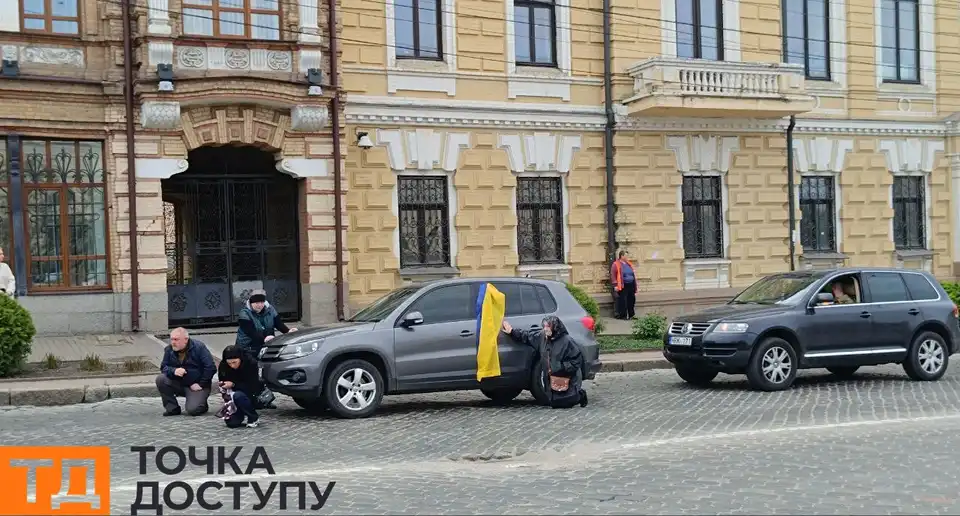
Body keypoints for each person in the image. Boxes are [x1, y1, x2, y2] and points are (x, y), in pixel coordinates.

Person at [501, 315, 588, 409]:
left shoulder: (567, 341)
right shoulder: (542, 337)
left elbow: (576, 361)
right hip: (550, 377)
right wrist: (512, 332)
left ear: (555, 327)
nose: (545, 329)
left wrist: (560, 367)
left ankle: (580, 395)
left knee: (567, 400)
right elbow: (527, 336)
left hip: (564, 375)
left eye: (548, 327)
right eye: (544, 326)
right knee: (554, 402)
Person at [155, 327, 217, 416]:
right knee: (161, 379)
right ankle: (172, 408)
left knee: (193, 410)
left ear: (185, 340)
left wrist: (201, 384)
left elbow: (210, 367)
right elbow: (164, 367)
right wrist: (173, 371)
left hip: (196, 385)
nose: (173, 342)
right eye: (171, 339)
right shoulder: (169, 349)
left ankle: (202, 404)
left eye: (176, 339)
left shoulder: (199, 347)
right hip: (179, 383)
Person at [235, 289, 297, 359]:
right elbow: (251, 332)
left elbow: (278, 323)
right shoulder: (244, 314)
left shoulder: (270, 309)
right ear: (251, 303)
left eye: (261, 302)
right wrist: (264, 339)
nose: (259, 305)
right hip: (248, 347)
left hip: (267, 344)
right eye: (256, 303)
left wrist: (288, 331)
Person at [216, 346, 262, 428]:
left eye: (234, 362)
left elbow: (253, 386)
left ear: (240, 359)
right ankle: (239, 412)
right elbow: (222, 380)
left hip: (250, 394)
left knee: (238, 396)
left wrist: (234, 384)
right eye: (229, 363)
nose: (232, 366)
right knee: (232, 423)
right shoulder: (224, 366)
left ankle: (253, 417)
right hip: (232, 396)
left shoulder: (250, 364)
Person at [610, 250, 637, 319]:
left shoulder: (628, 264)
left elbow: (632, 273)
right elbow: (613, 275)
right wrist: (615, 285)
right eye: (626, 255)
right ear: (622, 256)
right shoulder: (615, 264)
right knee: (623, 301)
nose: (627, 257)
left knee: (632, 300)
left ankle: (631, 315)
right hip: (622, 285)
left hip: (631, 284)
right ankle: (623, 315)